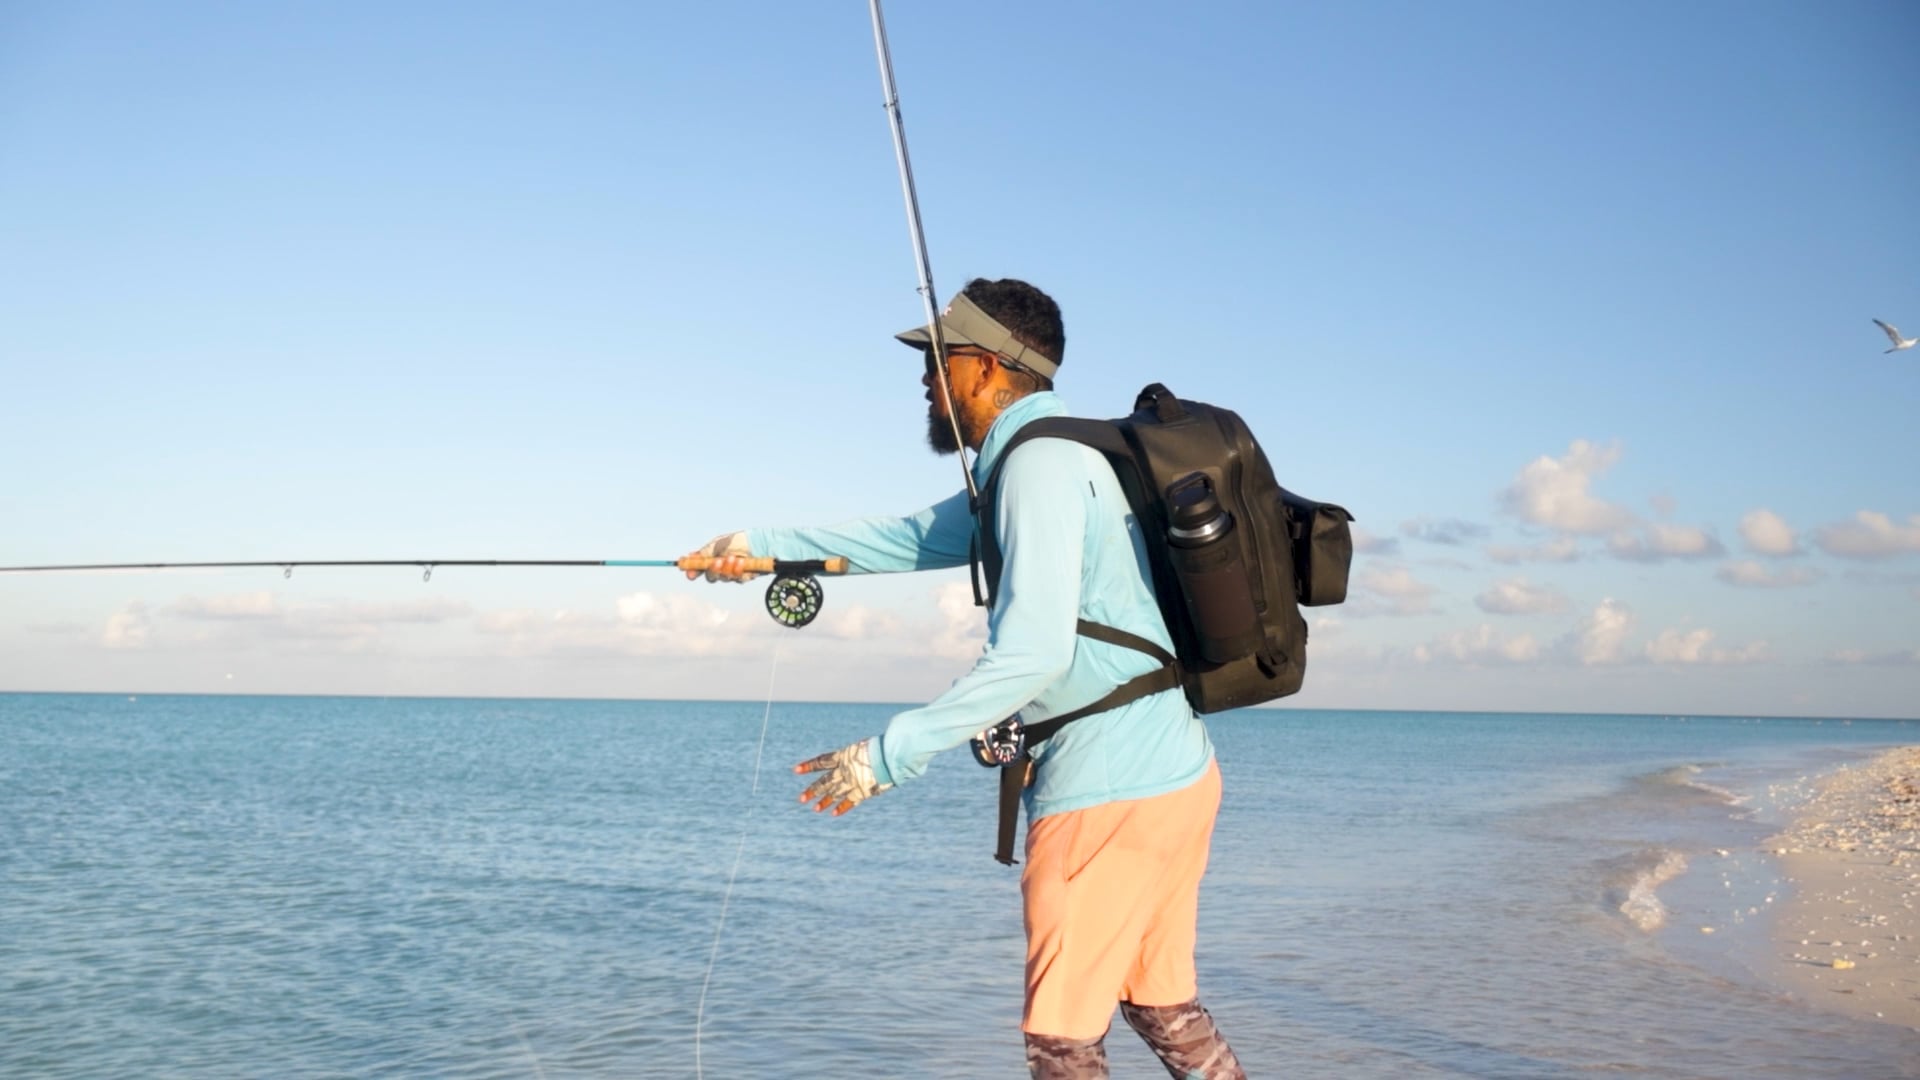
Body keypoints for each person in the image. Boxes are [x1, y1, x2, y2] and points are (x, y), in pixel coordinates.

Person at [686, 278, 1246, 1080]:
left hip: (1107, 793)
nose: (924, 377)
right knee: (1161, 1005)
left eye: (937, 359)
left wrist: (891, 754)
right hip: (1172, 775)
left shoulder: (1038, 469)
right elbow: (903, 539)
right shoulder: (1047, 458)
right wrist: (754, 545)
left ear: (986, 367)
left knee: (1061, 1041)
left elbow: (1032, 654)